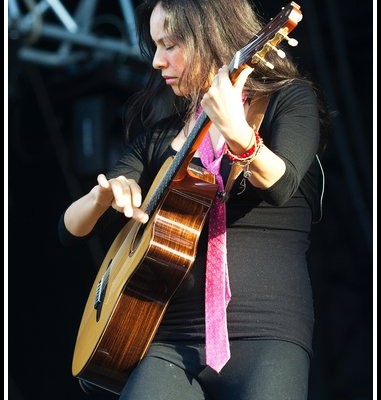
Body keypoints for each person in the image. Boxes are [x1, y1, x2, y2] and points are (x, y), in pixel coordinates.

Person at [58, 0, 328, 399]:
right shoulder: (159, 137)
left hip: (268, 334)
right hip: (168, 340)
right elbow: (70, 228)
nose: (157, 62)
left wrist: (237, 133)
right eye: (155, 47)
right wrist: (102, 196)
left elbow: (279, 182)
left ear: (209, 37)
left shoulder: (290, 101)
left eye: (169, 45)